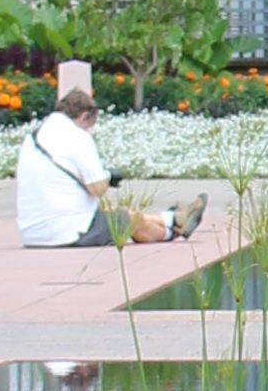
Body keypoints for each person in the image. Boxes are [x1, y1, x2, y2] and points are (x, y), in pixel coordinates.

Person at [15, 59, 201, 251]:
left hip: (33, 234)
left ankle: (172, 218)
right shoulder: (77, 136)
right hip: (68, 233)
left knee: (114, 214)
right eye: (90, 125)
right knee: (129, 219)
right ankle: (173, 232)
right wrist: (109, 176)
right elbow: (97, 187)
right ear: (85, 116)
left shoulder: (33, 138)